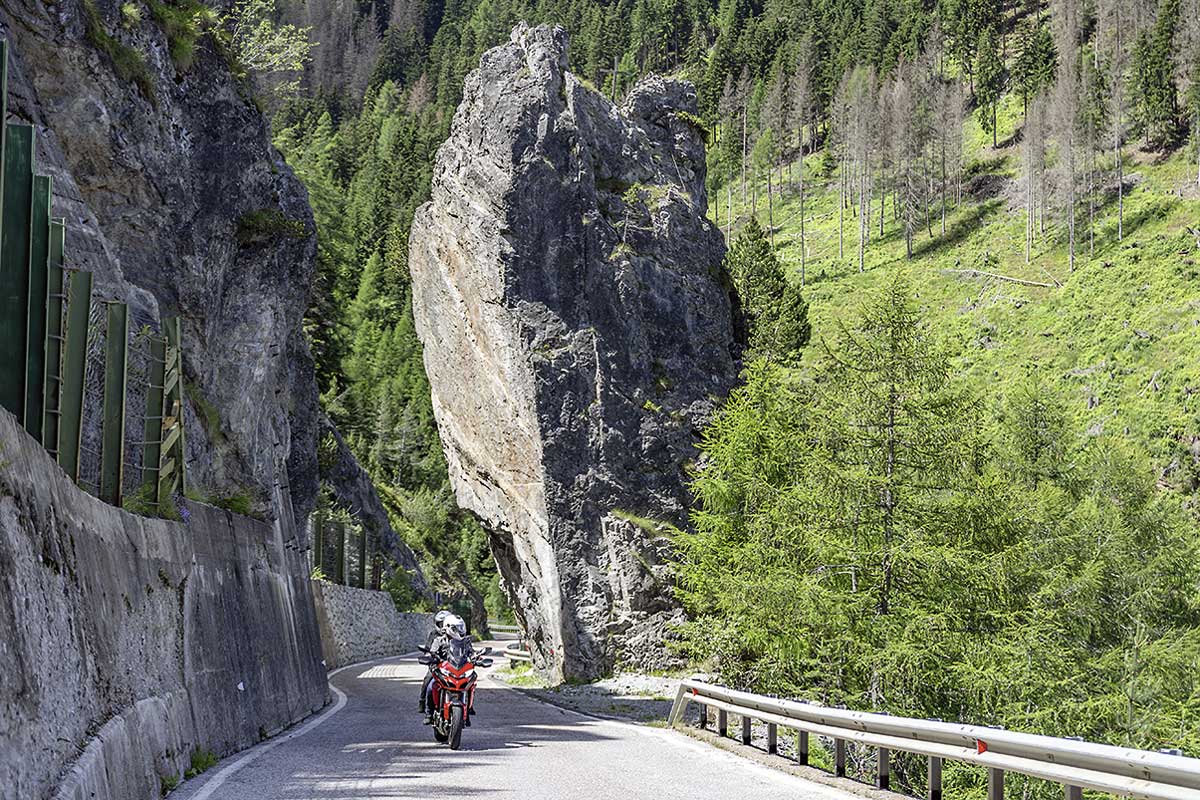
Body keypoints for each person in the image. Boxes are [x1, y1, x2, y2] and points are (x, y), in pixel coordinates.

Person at [419, 610, 451, 717]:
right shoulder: (433, 634)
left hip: (452, 665)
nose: (442, 626)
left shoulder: (454, 635)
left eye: (445, 624)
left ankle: (468, 707)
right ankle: (422, 702)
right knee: (428, 680)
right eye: (440, 624)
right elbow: (427, 648)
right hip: (436, 664)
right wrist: (429, 655)